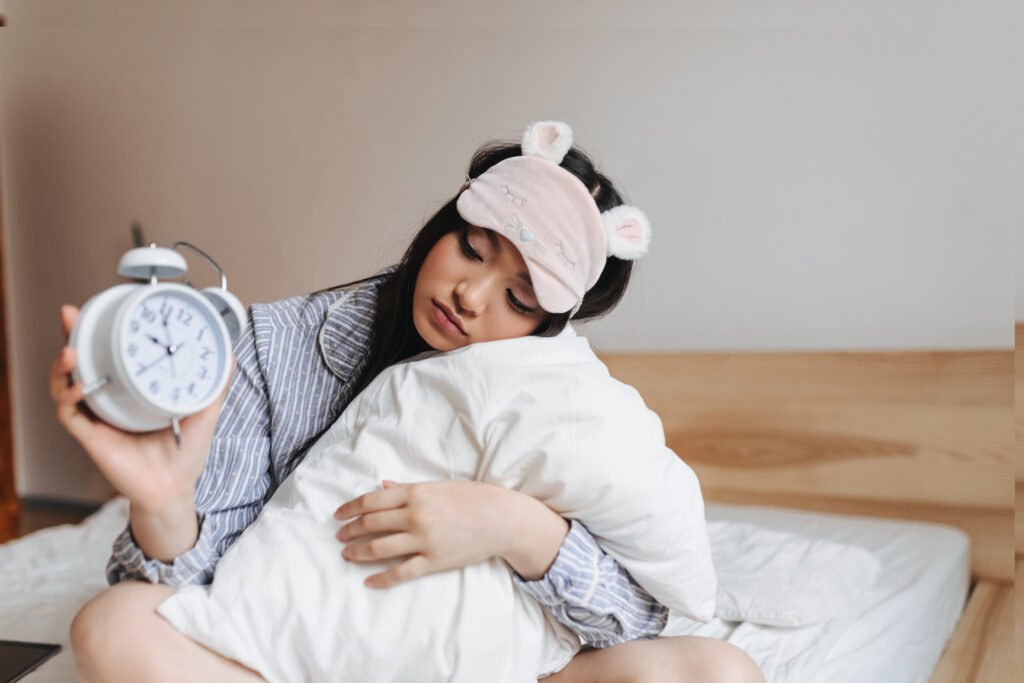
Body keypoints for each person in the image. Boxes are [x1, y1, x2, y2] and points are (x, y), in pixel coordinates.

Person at [52, 121, 765, 682]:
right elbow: (197, 592)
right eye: (471, 248)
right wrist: (165, 502)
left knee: (720, 672)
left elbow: (636, 619)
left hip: (492, 661)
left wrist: (517, 527)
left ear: (548, 323)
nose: (470, 295)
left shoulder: (552, 393)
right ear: (443, 223)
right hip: (292, 656)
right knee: (113, 626)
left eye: (518, 298)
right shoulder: (279, 348)